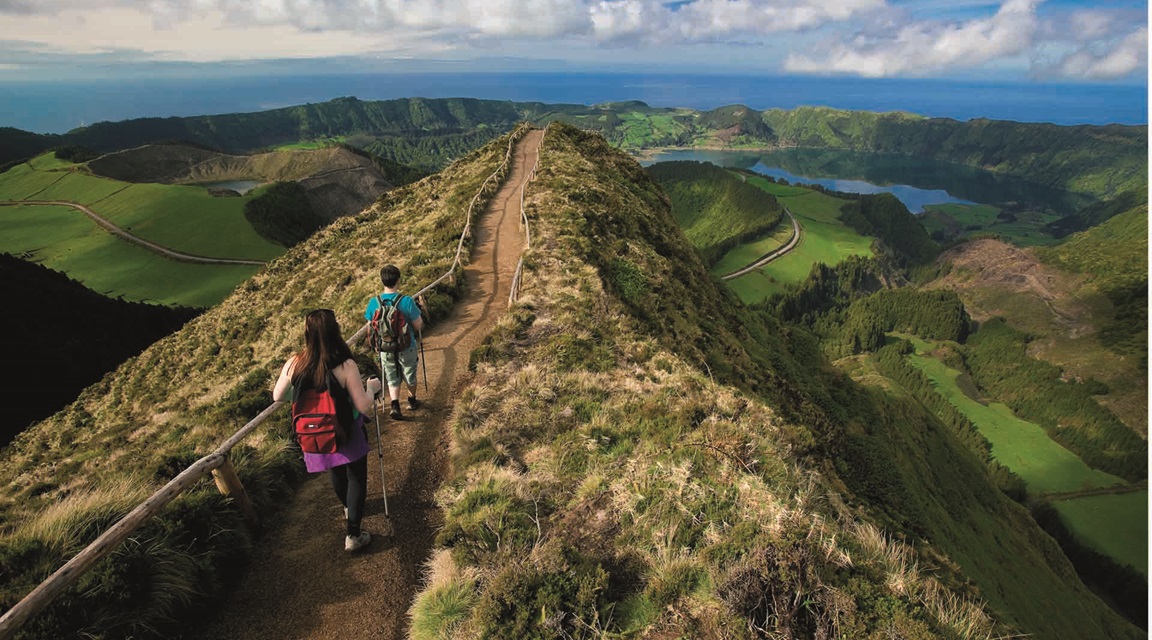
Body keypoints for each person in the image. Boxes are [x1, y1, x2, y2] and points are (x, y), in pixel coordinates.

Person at [273, 308, 383, 552]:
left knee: (336, 470)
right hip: (346, 429)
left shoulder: (294, 363)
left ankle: (347, 509)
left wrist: (306, 398)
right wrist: (371, 389)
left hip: (316, 432)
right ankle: (353, 534)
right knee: (356, 476)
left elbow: (277, 395)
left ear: (307, 333)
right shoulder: (344, 365)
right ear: (335, 331)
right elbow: (364, 406)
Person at [364, 264, 424, 420]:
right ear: (399, 280)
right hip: (406, 345)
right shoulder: (407, 301)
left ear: (382, 281)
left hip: (385, 347)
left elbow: (370, 328)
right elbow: (418, 326)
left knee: (391, 376)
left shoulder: (373, 302)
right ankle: (411, 400)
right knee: (409, 373)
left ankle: (395, 405)